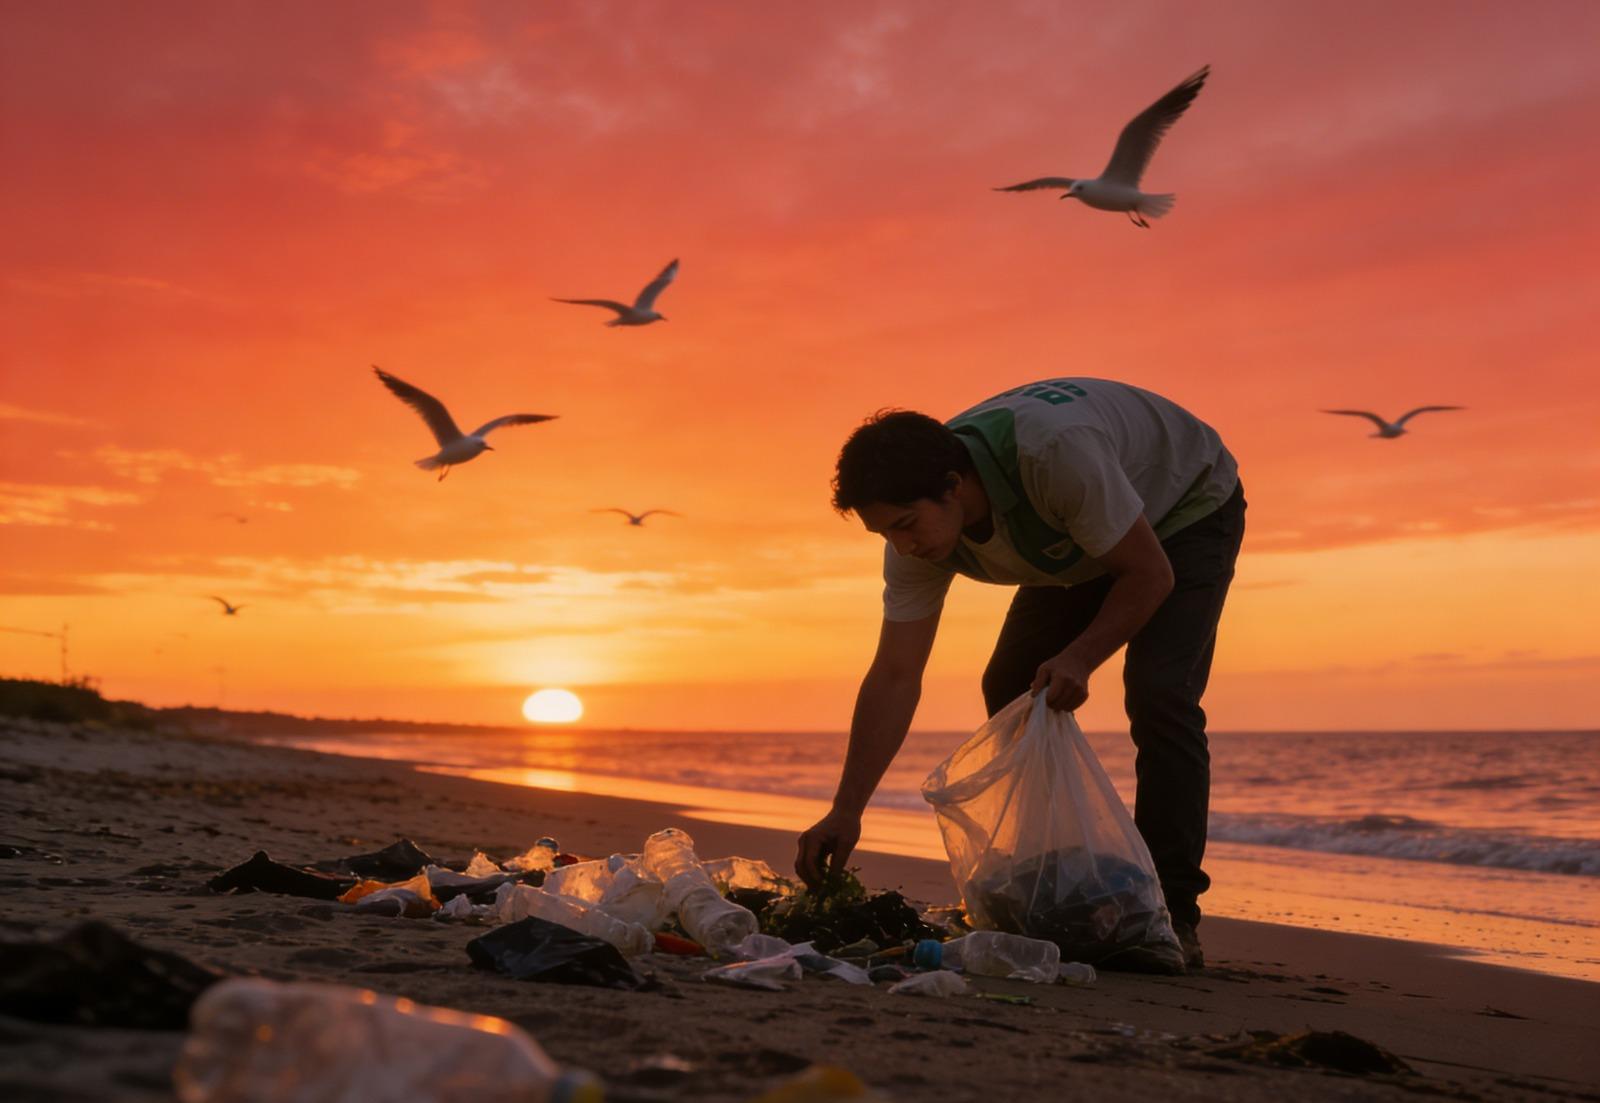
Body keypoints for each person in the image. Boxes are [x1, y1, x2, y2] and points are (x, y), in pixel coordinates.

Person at [795, 377, 1244, 970]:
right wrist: (846, 809)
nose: (902, 547)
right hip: (1074, 527)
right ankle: (1060, 886)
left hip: (1183, 504)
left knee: (1160, 693)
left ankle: (1173, 913)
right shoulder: (917, 535)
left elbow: (1149, 575)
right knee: (1011, 687)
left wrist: (1080, 657)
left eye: (905, 525)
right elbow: (896, 674)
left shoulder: (1052, 457)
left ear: (954, 486)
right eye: (885, 534)